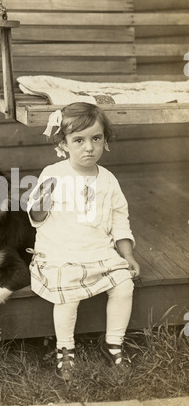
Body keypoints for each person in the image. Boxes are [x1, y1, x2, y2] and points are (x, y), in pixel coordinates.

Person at [26, 102, 140, 381]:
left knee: (124, 284)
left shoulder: (109, 180)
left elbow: (119, 219)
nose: (89, 147)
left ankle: (113, 342)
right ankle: (65, 348)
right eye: (78, 140)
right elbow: (35, 216)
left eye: (96, 139)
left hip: (98, 250)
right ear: (63, 144)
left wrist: (127, 254)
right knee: (68, 292)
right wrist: (43, 199)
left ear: (105, 141)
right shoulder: (53, 173)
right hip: (60, 251)